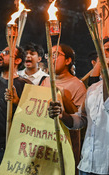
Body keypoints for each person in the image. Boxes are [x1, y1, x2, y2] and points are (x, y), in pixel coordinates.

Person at [48, 35, 109, 175]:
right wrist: (63, 115)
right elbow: (80, 120)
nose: (103, 53)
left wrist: (105, 75)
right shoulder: (93, 87)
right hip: (87, 164)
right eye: (101, 50)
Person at [42, 44, 86, 173]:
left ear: (68, 60)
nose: (50, 58)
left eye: (55, 55)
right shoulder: (44, 81)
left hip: (67, 144)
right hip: (45, 141)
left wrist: (62, 96)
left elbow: (80, 120)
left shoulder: (78, 85)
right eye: (48, 55)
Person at [0, 46, 31, 166]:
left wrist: (18, 102)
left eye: (6, 53)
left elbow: (33, 117)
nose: (0, 55)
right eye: (0, 52)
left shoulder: (26, 85)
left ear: (17, 60)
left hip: (15, 146)